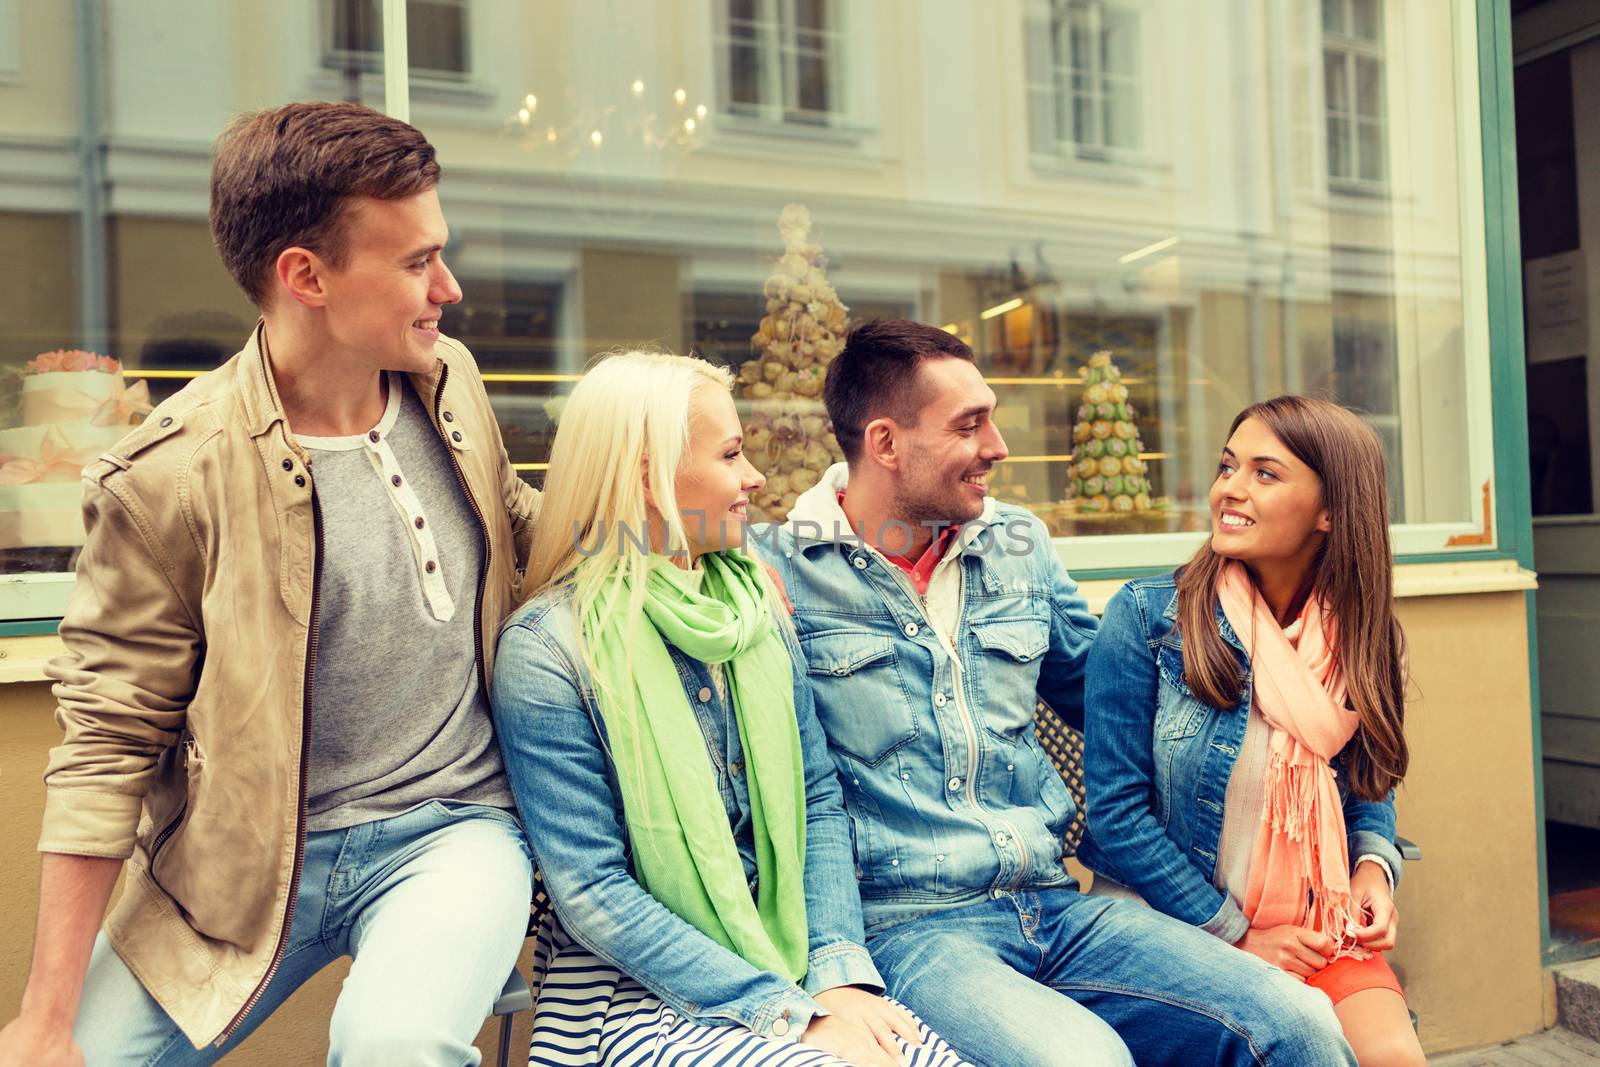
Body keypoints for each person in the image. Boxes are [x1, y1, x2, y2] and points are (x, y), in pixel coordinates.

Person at [0, 102, 542, 1066]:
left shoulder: (450, 383)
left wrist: (716, 552)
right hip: (241, 874)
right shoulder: (167, 477)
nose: (449, 289)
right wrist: (43, 1021)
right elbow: (105, 746)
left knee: (396, 1046)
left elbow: (520, 529)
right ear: (306, 276)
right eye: (417, 262)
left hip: (453, 828)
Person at [757, 319, 1357, 1067]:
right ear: (885, 443)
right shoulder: (775, 571)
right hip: (914, 928)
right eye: (971, 424)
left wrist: (1292, 645)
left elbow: (1110, 692)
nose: (999, 447)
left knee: (1297, 1022)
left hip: (1057, 902)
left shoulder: (1018, 543)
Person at [491, 350, 973, 1067]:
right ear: (648, 478)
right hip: (640, 991)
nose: (755, 478)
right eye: (731, 453)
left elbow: (815, 799)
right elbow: (594, 894)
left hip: (796, 959)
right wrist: (784, 1012)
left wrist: (836, 974)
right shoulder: (549, 652)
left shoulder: (753, 607)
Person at [1079, 395, 1426, 1067]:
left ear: (1331, 510)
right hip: (1164, 925)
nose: (1228, 489)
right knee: (1302, 1037)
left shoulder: (1366, 638)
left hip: (1311, 925)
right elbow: (1117, 816)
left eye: (1265, 473)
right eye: (1227, 465)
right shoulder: (1149, 618)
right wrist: (1236, 932)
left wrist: (1373, 869)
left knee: (1393, 1056)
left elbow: (1366, 782)